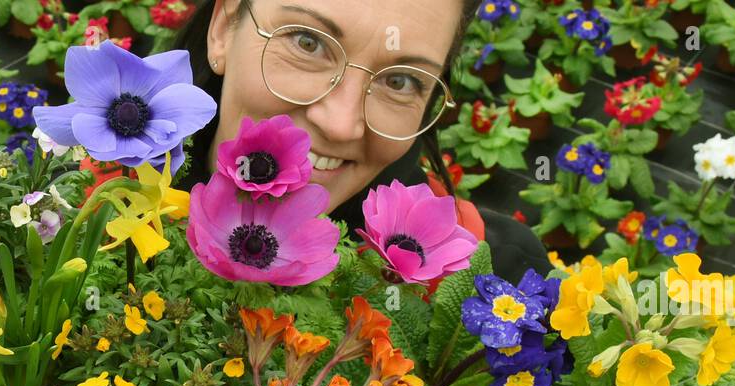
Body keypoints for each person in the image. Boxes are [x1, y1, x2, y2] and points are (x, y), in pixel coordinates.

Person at [174, 0, 548, 275]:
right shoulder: (117, 198)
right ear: (223, 29)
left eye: (400, 81)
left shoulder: (495, 276)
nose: (341, 123)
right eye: (307, 42)